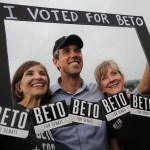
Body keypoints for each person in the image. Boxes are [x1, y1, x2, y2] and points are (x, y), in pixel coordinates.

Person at [50, 34, 107, 150]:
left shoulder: (100, 91)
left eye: (77, 51)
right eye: (66, 51)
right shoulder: (46, 97)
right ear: (56, 62)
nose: (74, 55)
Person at [1, 60, 57, 150]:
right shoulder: (8, 113)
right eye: (30, 74)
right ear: (19, 87)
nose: (38, 77)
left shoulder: (47, 118)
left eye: (42, 74)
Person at [94, 60, 150, 150]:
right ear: (101, 88)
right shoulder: (108, 118)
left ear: (122, 77)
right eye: (104, 78)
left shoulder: (143, 100)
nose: (111, 79)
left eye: (114, 73)